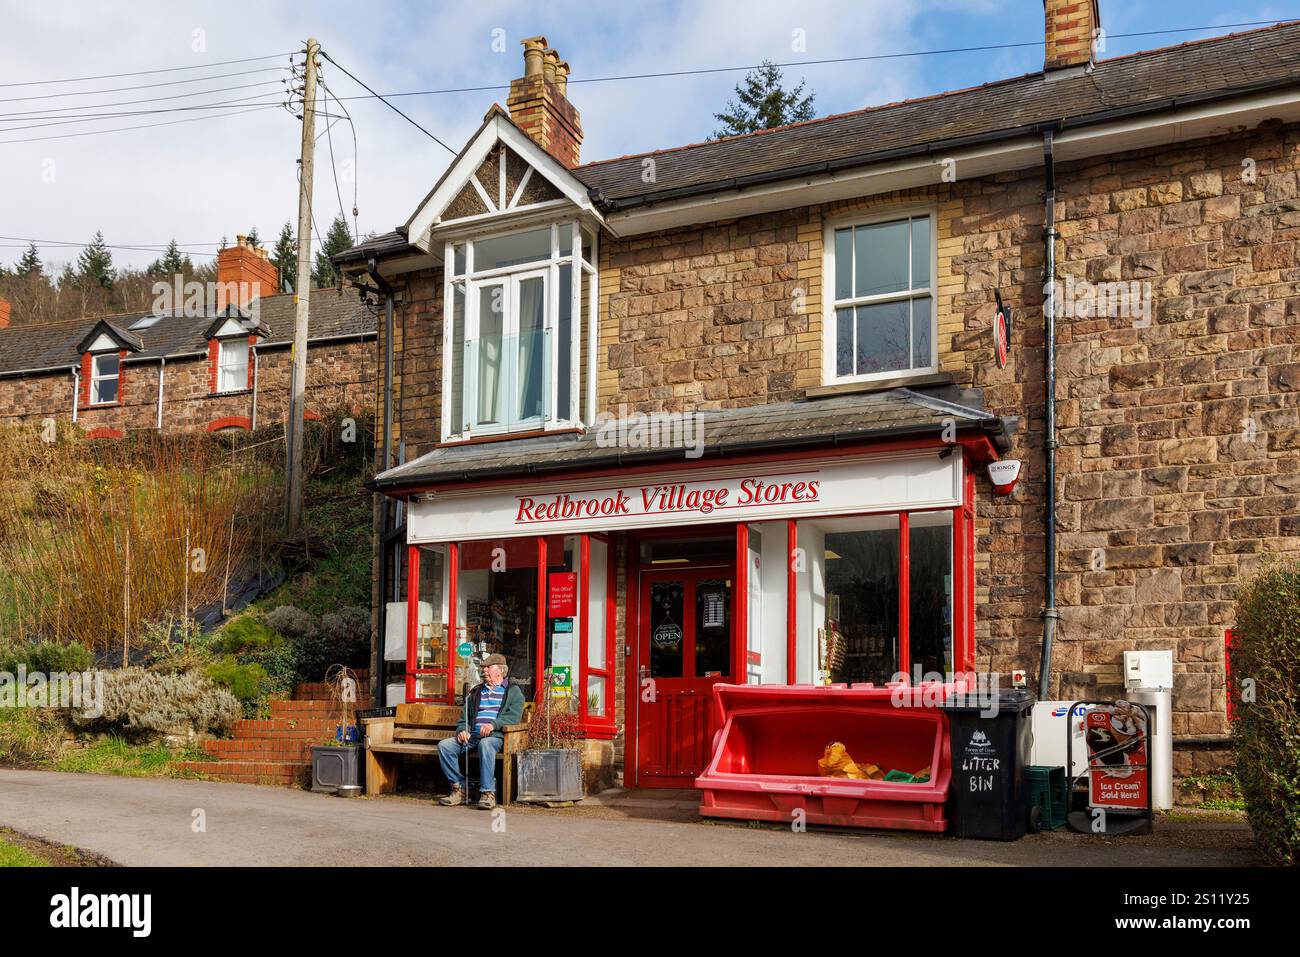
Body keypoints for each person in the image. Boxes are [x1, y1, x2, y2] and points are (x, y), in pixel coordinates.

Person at [437, 654, 525, 809]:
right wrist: (463, 730)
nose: (484, 670)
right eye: (483, 667)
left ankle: (487, 793)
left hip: (495, 737)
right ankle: (459, 789)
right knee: (444, 746)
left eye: (488, 667)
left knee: (485, 744)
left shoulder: (513, 691)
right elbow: (464, 717)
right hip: (472, 736)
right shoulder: (477, 691)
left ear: (500, 670)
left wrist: (493, 724)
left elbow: (514, 717)